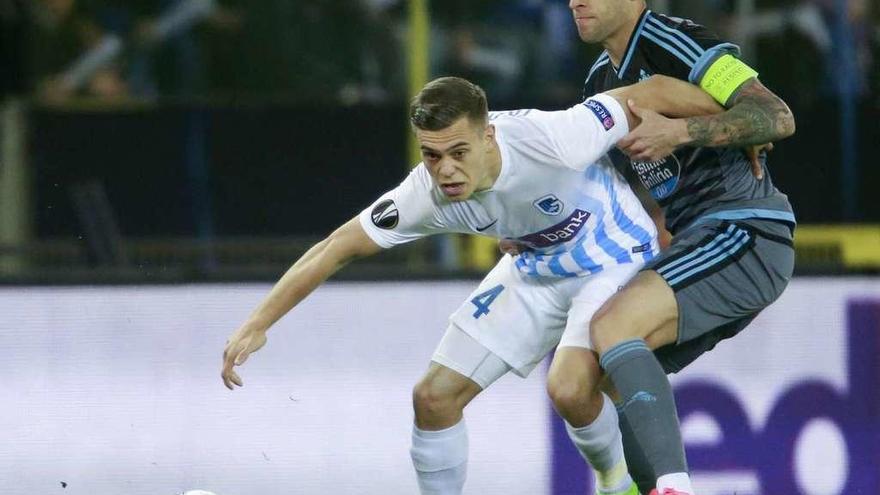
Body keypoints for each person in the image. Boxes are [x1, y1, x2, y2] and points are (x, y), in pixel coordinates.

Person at [221, 75, 721, 495]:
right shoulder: (426, 192)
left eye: (458, 151)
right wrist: (258, 323)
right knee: (433, 399)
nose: (446, 170)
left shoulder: (553, 138)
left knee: (569, 388)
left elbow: (649, 91)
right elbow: (338, 244)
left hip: (613, 258)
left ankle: (618, 485)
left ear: (489, 136)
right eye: (432, 155)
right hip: (536, 266)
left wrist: (734, 120)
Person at [565, 1, 797, 494]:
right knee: (602, 369)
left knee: (613, 326)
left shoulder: (678, 41)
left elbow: (775, 114)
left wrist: (683, 130)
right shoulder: (598, 85)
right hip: (700, 235)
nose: (575, 0)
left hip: (745, 229)